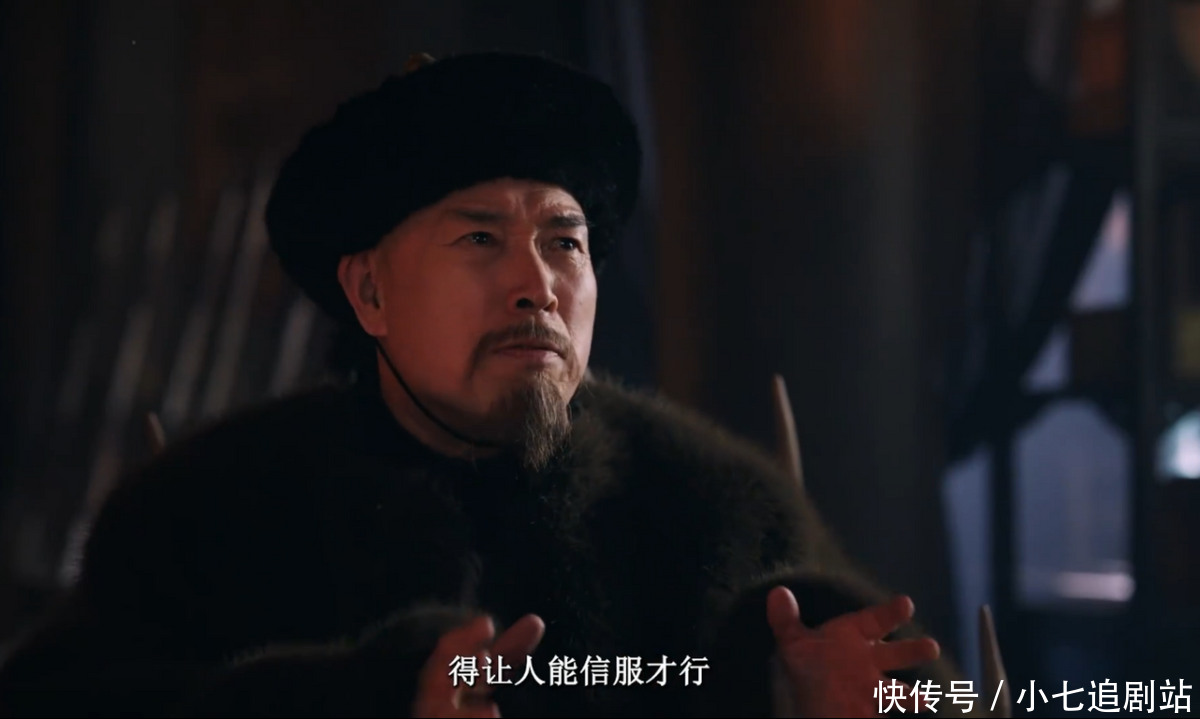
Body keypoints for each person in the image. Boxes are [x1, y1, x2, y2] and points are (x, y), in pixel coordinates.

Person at [0, 51, 966, 718]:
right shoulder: (210, 513)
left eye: (564, 242)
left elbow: (952, 696)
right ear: (370, 292)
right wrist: (356, 698)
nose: (535, 284)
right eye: (479, 238)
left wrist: (807, 697)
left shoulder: (712, 504)